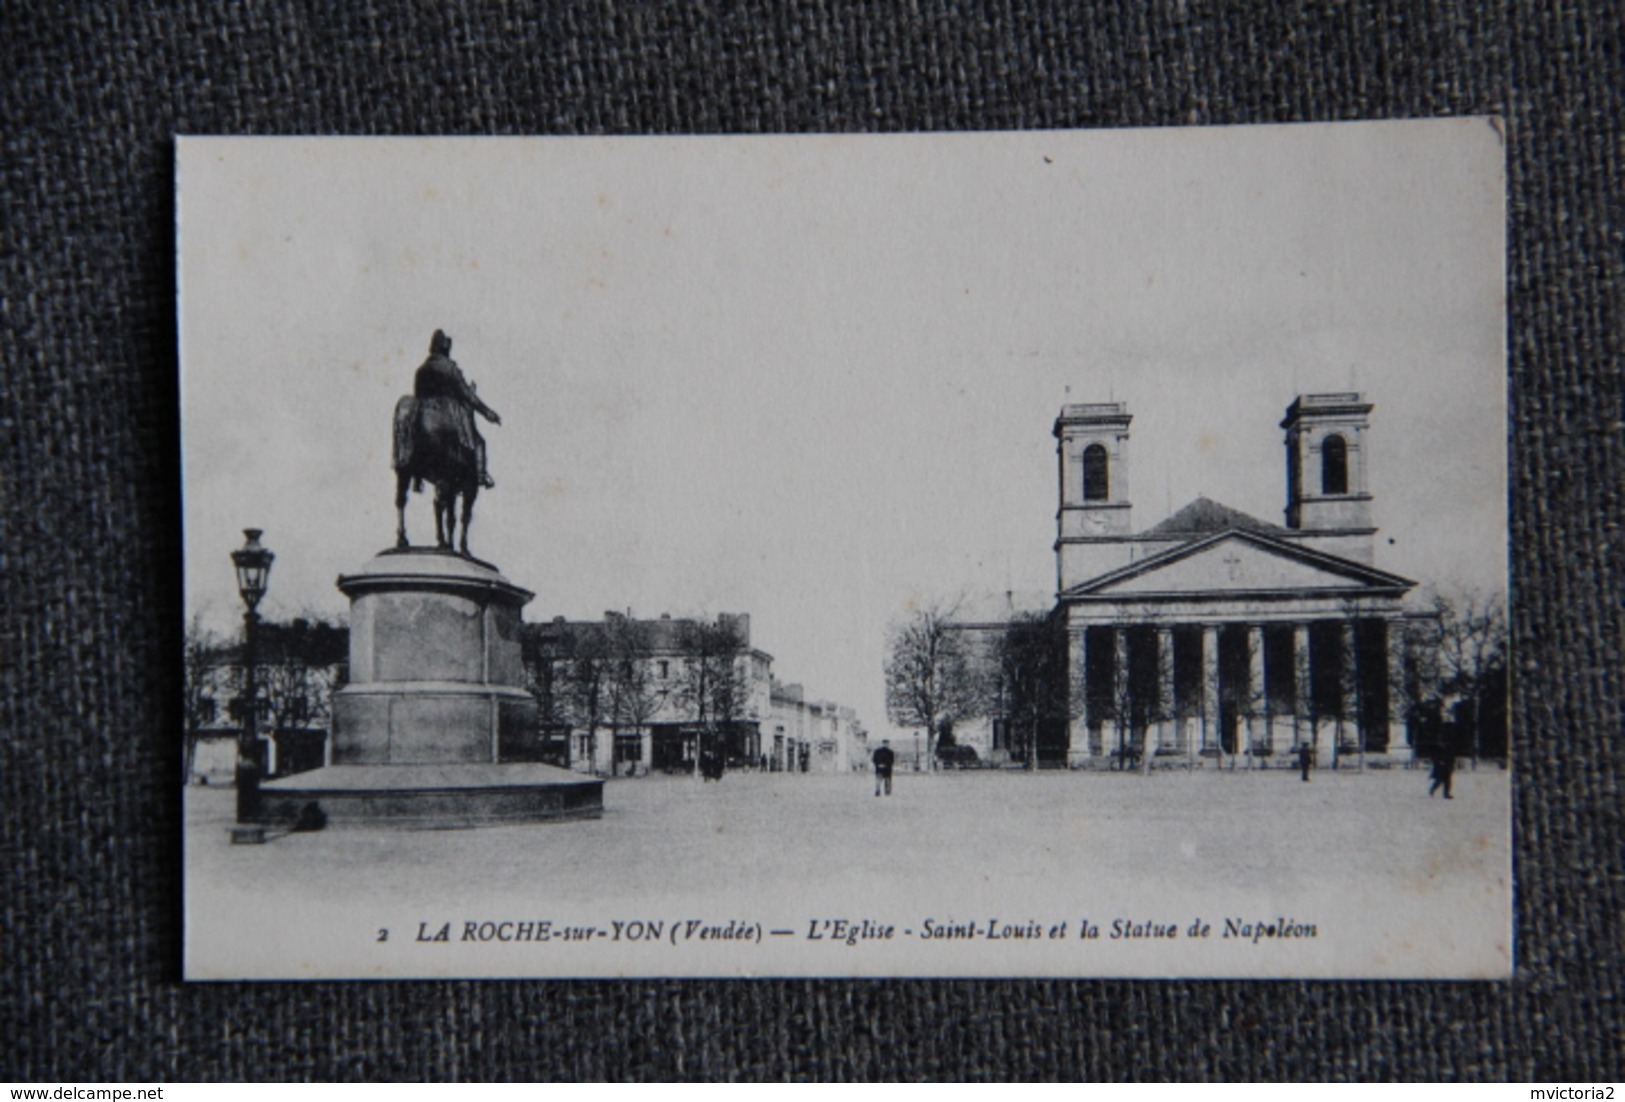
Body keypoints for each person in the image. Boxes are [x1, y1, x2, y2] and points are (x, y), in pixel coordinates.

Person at [414, 329, 500, 488]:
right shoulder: (450, 369)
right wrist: (488, 413)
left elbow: (417, 396)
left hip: (424, 414)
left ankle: (417, 476)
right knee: (479, 442)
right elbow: (467, 395)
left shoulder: (420, 370)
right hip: (449, 413)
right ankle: (481, 475)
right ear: (445, 348)